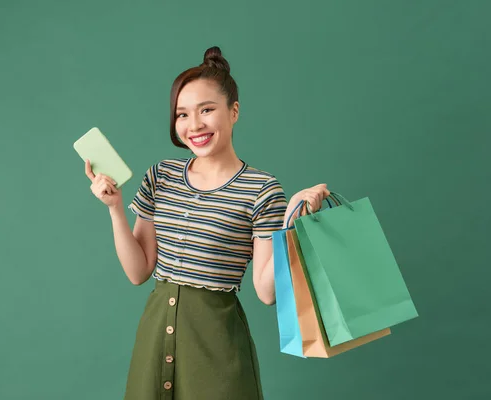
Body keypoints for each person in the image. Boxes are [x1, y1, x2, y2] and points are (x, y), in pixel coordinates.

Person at [84, 46, 330, 400]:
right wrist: (114, 207)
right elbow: (138, 272)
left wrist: (291, 219)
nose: (194, 125)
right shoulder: (161, 176)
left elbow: (266, 292)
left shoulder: (261, 190)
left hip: (217, 350)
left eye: (207, 110)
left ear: (234, 112)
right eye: (182, 114)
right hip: (154, 343)